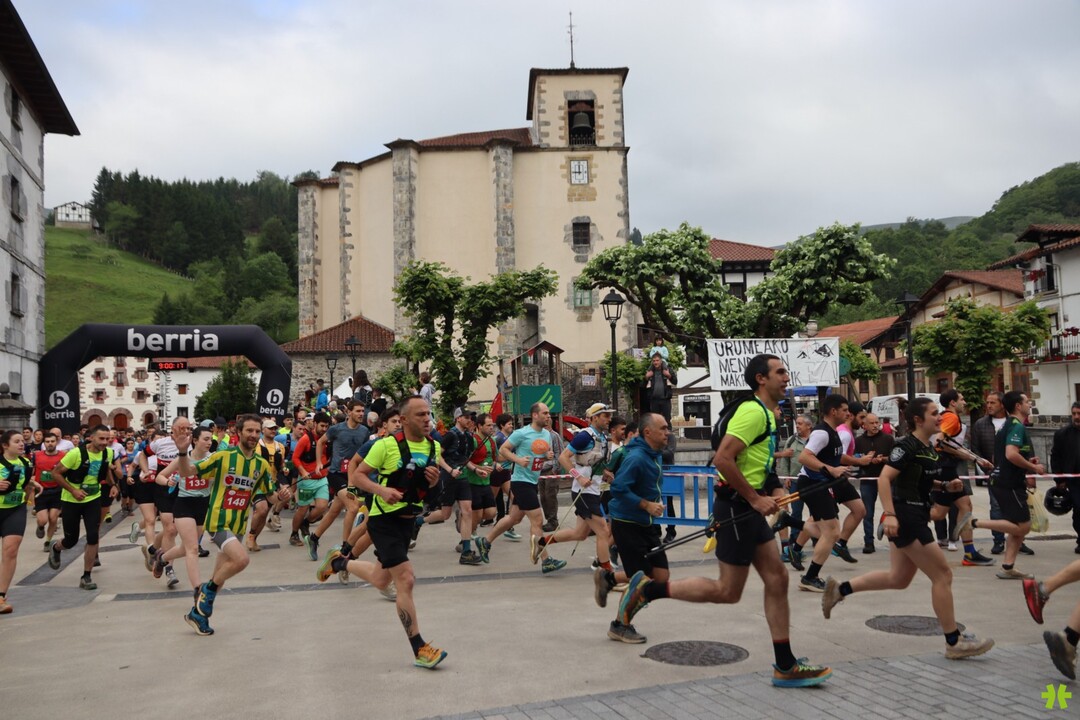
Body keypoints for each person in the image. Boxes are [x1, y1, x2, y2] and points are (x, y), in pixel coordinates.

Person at [613, 355, 832, 688]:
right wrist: (755, 498)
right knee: (727, 591)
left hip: (746, 508)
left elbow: (759, 465)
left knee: (777, 578)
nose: (787, 377)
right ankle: (648, 589)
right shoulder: (752, 412)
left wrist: (774, 491)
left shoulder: (767, 415)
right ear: (761, 379)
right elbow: (723, 459)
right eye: (780, 372)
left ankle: (785, 665)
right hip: (736, 508)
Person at [821, 397, 994, 660]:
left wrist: (944, 486)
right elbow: (885, 479)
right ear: (918, 419)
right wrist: (890, 515)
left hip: (916, 514)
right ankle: (953, 641)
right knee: (943, 575)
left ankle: (839, 589)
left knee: (898, 578)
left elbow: (918, 480)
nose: (940, 417)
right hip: (907, 516)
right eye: (934, 413)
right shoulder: (906, 446)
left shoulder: (928, 447)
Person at [315, 396, 447, 669]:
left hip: (407, 520)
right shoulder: (385, 445)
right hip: (383, 519)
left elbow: (428, 487)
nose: (427, 419)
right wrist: (381, 490)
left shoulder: (433, 446)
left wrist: (434, 483)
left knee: (379, 578)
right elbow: (358, 475)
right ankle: (419, 648)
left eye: (428, 413)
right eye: (420, 414)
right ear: (404, 419)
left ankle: (339, 562)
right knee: (406, 579)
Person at [173, 414, 293, 636]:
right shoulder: (223, 456)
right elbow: (187, 472)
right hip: (218, 521)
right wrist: (182, 452)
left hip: (238, 526)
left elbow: (271, 497)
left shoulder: (261, 465)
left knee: (220, 576)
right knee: (242, 559)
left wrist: (282, 496)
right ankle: (205, 590)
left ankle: (197, 615)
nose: (254, 435)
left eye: (257, 431)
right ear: (238, 432)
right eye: (249, 431)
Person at [956, 390, 1041, 580]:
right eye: (1027, 401)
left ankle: (1008, 567)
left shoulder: (1006, 426)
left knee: (1015, 527)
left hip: (1002, 479)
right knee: (1023, 527)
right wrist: (1033, 468)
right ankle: (972, 523)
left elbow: (1002, 456)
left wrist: (1027, 461)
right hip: (1009, 483)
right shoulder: (1016, 426)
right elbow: (1011, 454)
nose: (1029, 404)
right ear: (1018, 406)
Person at [475, 403, 566, 574]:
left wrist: (546, 456)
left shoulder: (547, 434)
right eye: (545, 413)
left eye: (549, 413)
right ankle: (546, 560)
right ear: (535, 415)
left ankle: (485, 541)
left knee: (514, 518)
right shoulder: (521, 433)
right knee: (537, 520)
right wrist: (517, 460)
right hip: (520, 481)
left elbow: (538, 456)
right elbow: (503, 450)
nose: (548, 416)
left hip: (532, 480)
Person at [791, 395, 864, 591]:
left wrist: (857, 462)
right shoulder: (822, 433)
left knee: (856, 511)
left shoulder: (833, 432)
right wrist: (830, 469)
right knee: (831, 533)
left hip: (826, 481)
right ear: (833, 411)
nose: (848, 414)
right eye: (845, 410)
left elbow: (834, 456)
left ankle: (790, 524)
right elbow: (804, 457)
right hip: (813, 484)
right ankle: (810, 577)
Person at [533, 403, 615, 571]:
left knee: (580, 534)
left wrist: (605, 473)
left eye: (609, 415)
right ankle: (606, 571)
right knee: (603, 531)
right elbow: (563, 457)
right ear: (594, 418)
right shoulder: (585, 436)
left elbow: (594, 463)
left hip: (594, 490)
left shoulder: (601, 437)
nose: (609, 419)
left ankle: (541, 542)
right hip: (583, 492)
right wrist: (578, 476)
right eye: (605, 415)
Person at [48, 425, 120, 591]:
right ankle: (56, 547)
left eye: (107, 439)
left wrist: (113, 485)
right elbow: (56, 473)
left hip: (93, 499)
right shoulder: (75, 454)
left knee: (93, 536)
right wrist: (73, 490)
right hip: (71, 500)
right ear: (91, 438)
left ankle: (86, 576)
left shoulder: (108, 453)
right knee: (71, 540)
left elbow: (105, 470)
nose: (105, 442)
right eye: (101, 438)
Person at [930, 390, 995, 566]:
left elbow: (949, 444)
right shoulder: (951, 417)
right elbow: (939, 442)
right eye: (962, 399)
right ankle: (898, 516)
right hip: (944, 468)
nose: (964, 402)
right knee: (941, 512)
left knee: (963, 506)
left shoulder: (947, 417)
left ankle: (970, 552)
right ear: (952, 403)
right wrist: (974, 459)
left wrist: (976, 459)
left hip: (947, 467)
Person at [305, 402, 371, 561]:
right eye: (358, 411)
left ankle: (313, 538)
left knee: (335, 510)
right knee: (353, 507)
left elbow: (365, 453)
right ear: (349, 412)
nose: (361, 414)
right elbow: (320, 442)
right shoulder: (337, 429)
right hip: (336, 475)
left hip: (352, 476)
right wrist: (319, 462)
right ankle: (345, 547)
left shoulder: (364, 431)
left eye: (362, 411)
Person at [152, 426, 214, 594]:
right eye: (206, 439)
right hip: (184, 504)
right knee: (192, 549)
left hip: (203, 504)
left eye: (211, 439)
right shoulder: (183, 458)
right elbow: (159, 476)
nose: (209, 442)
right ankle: (198, 590)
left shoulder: (213, 459)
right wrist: (168, 482)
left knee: (184, 548)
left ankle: (162, 557)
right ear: (195, 440)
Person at [0, 430, 42, 613]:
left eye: (22, 441)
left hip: (15, 509)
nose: (21, 444)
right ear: (5, 445)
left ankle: (1, 596)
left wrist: (32, 484)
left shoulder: (26, 463)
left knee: (11, 550)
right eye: (16, 441)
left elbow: (23, 484)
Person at [971, 391, 1009, 554]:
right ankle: (998, 540)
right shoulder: (980, 424)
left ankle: (1017, 540)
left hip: (1013, 472)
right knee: (996, 506)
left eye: (993, 402)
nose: (988, 406)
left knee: (1016, 507)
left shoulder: (1012, 423)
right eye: (987, 402)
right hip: (993, 473)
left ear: (1002, 404)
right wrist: (985, 465)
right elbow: (975, 448)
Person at [855, 412, 894, 554]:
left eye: (877, 422)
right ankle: (868, 542)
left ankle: (894, 540)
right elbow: (854, 458)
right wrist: (865, 459)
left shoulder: (888, 439)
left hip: (886, 479)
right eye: (872, 423)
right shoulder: (859, 441)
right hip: (867, 479)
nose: (875, 425)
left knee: (891, 510)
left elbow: (895, 458)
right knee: (867, 512)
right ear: (864, 426)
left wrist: (883, 459)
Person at [245, 419, 287, 552]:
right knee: (261, 509)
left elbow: (281, 465)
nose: (273, 430)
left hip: (272, 483)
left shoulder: (280, 447)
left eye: (275, 428)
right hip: (257, 483)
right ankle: (251, 535)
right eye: (270, 428)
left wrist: (285, 469)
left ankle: (254, 539)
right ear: (263, 430)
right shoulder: (256, 444)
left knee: (264, 513)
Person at [774, 414, 812, 562]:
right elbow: (785, 460)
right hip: (795, 481)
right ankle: (794, 540)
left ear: (809, 426)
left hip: (812, 481)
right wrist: (786, 477)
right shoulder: (791, 440)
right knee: (796, 512)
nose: (798, 426)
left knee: (815, 512)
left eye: (800, 424)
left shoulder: (815, 440)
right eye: (797, 423)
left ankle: (815, 537)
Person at [290, 412, 331, 547]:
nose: (324, 429)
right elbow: (295, 458)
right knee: (303, 508)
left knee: (322, 507)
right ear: (315, 424)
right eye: (322, 426)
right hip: (307, 480)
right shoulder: (306, 439)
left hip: (322, 478)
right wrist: (303, 472)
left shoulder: (328, 439)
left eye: (326, 426)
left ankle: (305, 523)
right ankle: (294, 534)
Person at [1051, 402, 1080, 555]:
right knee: (1079, 510)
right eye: (1074, 413)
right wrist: (1059, 479)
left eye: (1079, 414)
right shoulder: (1062, 434)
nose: (1076, 417)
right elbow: (1055, 457)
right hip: (1074, 481)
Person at [31, 432, 66, 550]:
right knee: (43, 520)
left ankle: (48, 541)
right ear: (44, 443)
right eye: (47, 441)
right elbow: (32, 471)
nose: (50, 444)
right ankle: (40, 526)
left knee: (53, 518)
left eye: (52, 441)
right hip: (41, 491)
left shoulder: (63, 456)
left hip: (57, 490)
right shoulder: (37, 455)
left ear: (56, 442)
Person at [643, 354, 674, 422]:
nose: (655, 362)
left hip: (665, 399)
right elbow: (643, 385)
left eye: (657, 360)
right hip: (654, 400)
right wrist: (646, 377)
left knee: (667, 420)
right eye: (654, 361)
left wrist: (668, 375)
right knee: (655, 421)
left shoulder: (667, 369)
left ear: (661, 361)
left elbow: (675, 381)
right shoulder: (650, 371)